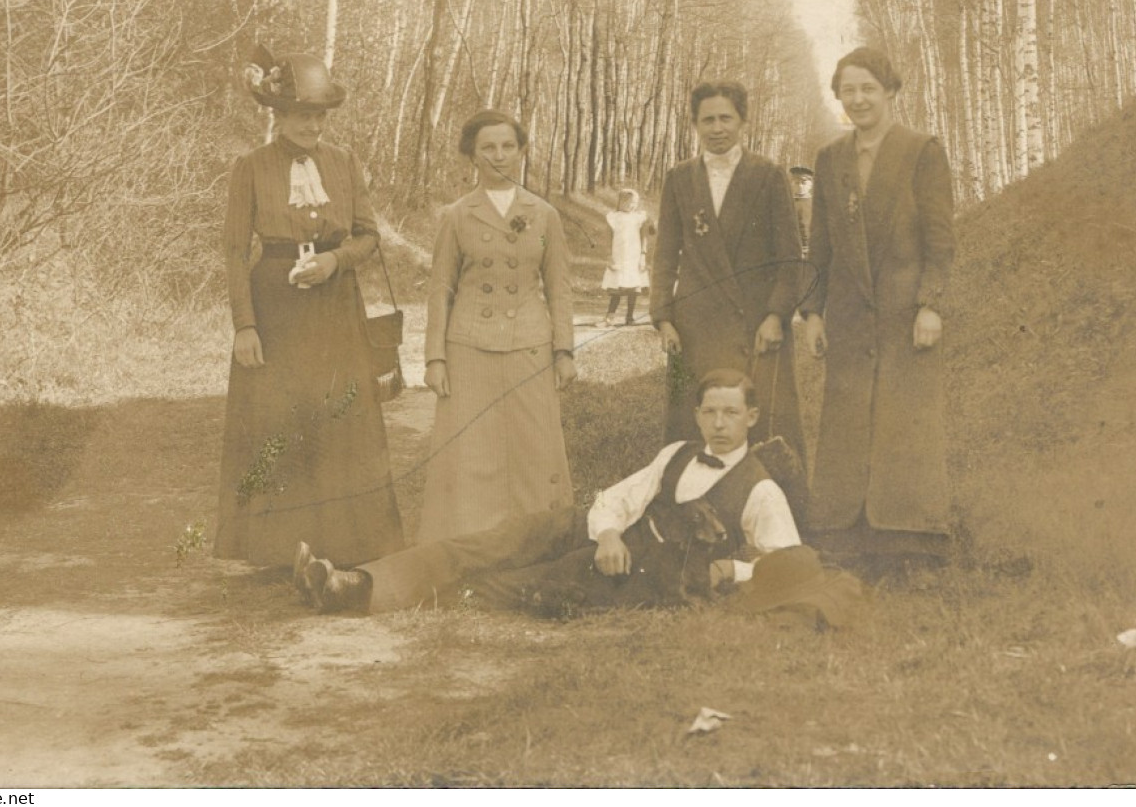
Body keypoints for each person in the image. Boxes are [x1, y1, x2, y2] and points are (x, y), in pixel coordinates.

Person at [294, 369, 801, 615]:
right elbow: (620, 496)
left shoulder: (760, 491)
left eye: (731, 413)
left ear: (751, 417)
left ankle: (354, 596)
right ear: (696, 414)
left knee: (508, 585)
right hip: (598, 532)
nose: (718, 423)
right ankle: (355, 580)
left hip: (638, 570)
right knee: (489, 543)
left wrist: (731, 570)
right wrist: (605, 533)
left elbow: (791, 564)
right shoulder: (678, 451)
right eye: (709, 411)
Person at [215, 48, 404, 569]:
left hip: (336, 305)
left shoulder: (344, 164)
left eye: (320, 116)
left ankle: (346, 544)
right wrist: (245, 326)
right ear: (278, 116)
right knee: (279, 418)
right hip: (275, 308)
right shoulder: (250, 168)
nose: (312, 126)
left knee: (341, 415)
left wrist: (335, 261)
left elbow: (369, 237)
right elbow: (234, 252)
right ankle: (279, 548)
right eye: (302, 115)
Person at [802, 47, 956, 574]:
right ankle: (844, 536)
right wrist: (814, 313)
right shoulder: (830, 160)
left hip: (904, 315)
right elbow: (818, 245)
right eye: (849, 90)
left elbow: (941, 240)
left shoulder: (922, 151)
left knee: (904, 420)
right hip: (847, 315)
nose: (859, 99)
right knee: (846, 421)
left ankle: (913, 541)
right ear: (839, 97)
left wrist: (930, 305)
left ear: (891, 91)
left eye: (869, 88)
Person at [418, 109, 577, 544]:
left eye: (508, 146)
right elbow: (440, 289)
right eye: (488, 147)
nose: (499, 156)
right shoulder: (457, 215)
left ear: (522, 152)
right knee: (471, 452)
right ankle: (467, 547)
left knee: (533, 446)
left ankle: (537, 543)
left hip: (529, 344)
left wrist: (564, 350)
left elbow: (559, 287)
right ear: (472, 156)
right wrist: (435, 357)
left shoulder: (543, 214)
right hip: (468, 345)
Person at [651, 82, 808, 461]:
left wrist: (776, 316)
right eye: (708, 120)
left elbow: (789, 259)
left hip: (756, 325)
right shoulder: (679, 178)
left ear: (742, 121)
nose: (717, 128)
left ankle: (771, 510)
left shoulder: (767, 175)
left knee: (763, 429)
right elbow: (664, 256)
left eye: (726, 118)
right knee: (695, 431)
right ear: (694, 124)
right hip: (696, 327)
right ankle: (692, 510)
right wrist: (663, 318)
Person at [599, 188, 652, 327]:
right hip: (619, 255)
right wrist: (608, 255)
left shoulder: (639, 217)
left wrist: (643, 255)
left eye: (635, 202)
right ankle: (610, 316)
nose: (632, 205)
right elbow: (607, 237)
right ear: (621, 202)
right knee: (617, 286)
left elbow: (644, 237)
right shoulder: (613, 217)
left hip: (633, 256)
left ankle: (630, 317)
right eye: (629, 202)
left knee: (633, 287)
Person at [789, 165, 815, 260]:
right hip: (791, 249)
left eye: (804, 182)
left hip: (810, 249)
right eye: (796, 182)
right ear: (791, 183)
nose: (800, 185)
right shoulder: (787, 203)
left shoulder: (816, 204)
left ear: (810, 184)